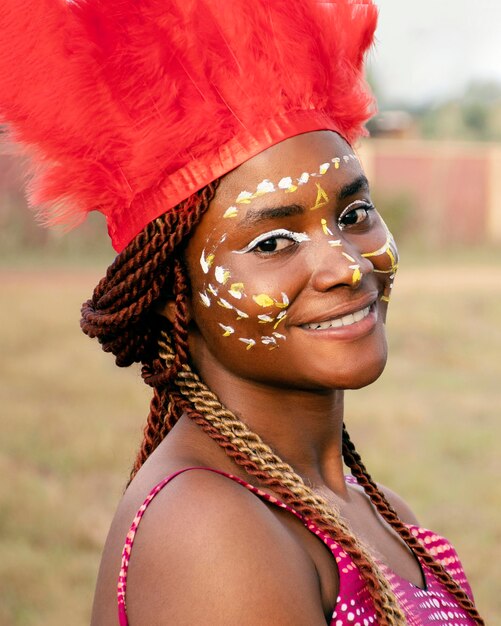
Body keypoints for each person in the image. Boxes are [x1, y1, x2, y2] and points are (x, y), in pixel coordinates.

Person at [0, 1, 484, 624]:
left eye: (355, 215)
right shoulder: (211, 532)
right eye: (273, 243)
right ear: (178, 292)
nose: (344, 264)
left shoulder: (381, 511)